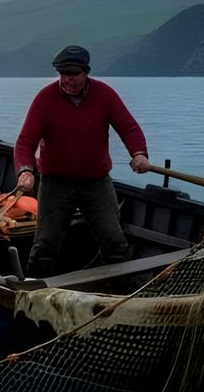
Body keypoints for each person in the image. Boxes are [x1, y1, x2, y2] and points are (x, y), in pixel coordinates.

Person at [14, 45, 153, 276]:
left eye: (73, 75)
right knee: (45, 244)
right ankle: (32, 288)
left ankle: (123, 288)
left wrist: (139, 153)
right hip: (55, 183)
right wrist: (25, 171)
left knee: (114, 241)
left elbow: (129, 127)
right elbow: (25, 143)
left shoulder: (105, 94)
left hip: (96, 183)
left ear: (85, 72)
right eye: (63, 75)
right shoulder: (45, 98)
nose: (67, 80)